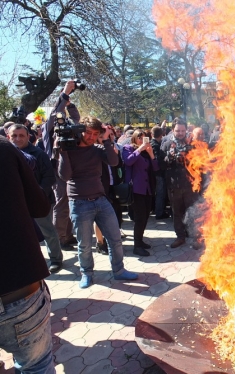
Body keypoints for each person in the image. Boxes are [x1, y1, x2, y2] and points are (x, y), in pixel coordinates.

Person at [57, 116, 138, 288]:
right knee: (84, 245)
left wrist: (107, 140)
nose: (91, 137)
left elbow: (114, 162)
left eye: (95, 133)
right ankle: (86, 274)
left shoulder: (97, 148)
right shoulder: (69, 149)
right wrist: (63, 151)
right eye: (88, 132)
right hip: (79, 203)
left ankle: (119, 271)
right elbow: (64, 176)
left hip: (101, 200)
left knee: (115, 239)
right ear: (80, 130)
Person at [0, 137, 55, 373]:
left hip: (17, 292)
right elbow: (41, 206)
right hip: (18, 291)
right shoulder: (4, 149)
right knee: (37, 367)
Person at [8, 124, 64, 273]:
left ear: (28, 137)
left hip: (39, 201)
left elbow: (49, 177)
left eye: (21, 135)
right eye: (14, 135)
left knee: (48, 232)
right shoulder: (6, 154)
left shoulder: (38, 154)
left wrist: (36, 193)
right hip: (16, 203)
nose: (18, 138)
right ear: (8, 136)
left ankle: (56, 260)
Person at [42, 80, 80, 250]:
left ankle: (68, 234)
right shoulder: (48, 129)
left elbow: (77, 121)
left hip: (70, 167)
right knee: (62, 204)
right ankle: (59, 239)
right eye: (60, 117)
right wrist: (65, 93)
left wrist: (70, 106)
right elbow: (54, 114)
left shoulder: (66, 127)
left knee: (69, 202)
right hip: (57, 169)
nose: (62, 119)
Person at [161, 118, 198, 248]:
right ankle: (180, 237)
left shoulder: (192, 143)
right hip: (174, 185)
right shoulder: (166, 144)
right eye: (178, 130)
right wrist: (169, 157)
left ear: (186, 130)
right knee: (177, 213)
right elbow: (160, 165)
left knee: (192, 212)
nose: (180, 133)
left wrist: (187, 157)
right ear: (173, 130)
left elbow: (199, 162)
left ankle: (195, 238)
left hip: (189, 184)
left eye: (183, 130)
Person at [122, 129, 159, 256]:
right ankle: (137, 245)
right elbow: (128, 161)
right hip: (136, 189)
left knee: (145, 216)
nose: (141, 140)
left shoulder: (147, 152)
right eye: (139, 138)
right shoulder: (128, 148)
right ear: (134, 138)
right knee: (139, 217)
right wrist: (140, 149)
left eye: (144, 138)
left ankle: (140, 241)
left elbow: (156, 168)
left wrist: (151, 153)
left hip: (147, 189)